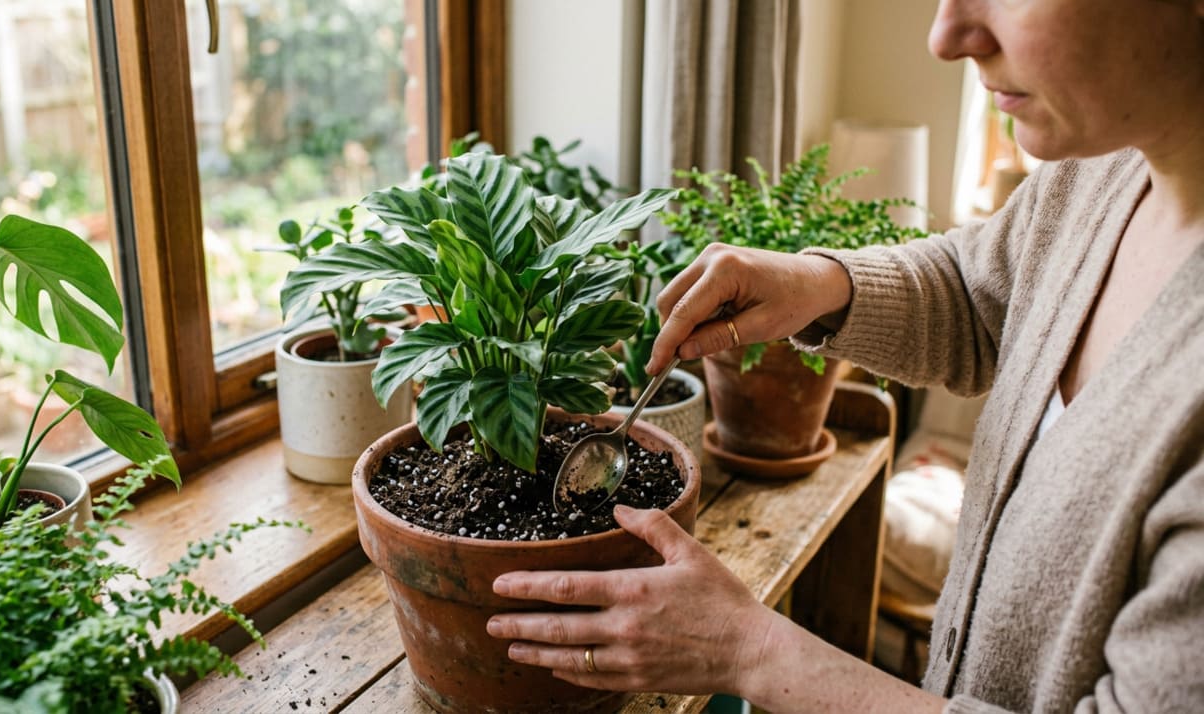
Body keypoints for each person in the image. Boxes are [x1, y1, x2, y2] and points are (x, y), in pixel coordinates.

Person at [485, 0, 1204, 711]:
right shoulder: (1104, 167)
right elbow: (985, 292)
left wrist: (751, 652)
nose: (946, 37)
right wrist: (819, 284)